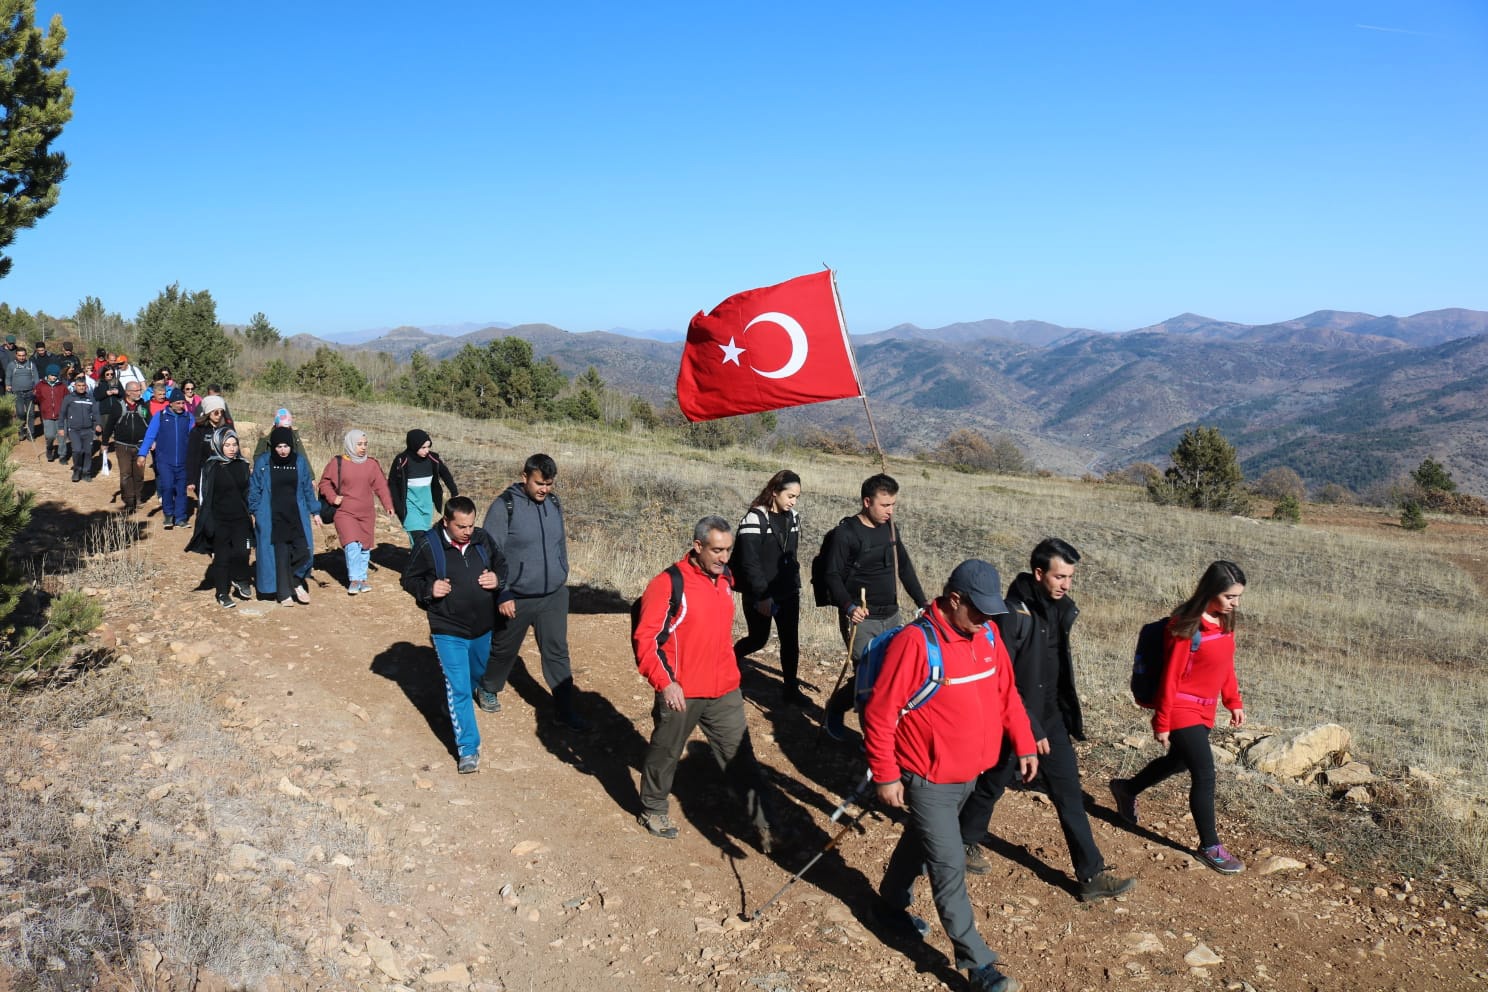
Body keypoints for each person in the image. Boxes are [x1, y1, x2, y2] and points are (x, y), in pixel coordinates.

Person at [864, 560, 1037, 992]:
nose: (984, 621)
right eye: (978, 612)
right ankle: (978, 965)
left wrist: (1025, 740)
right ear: (953, 599)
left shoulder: (989, 635)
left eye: (990, 613)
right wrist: (886, 775)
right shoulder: (915, 643)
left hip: (969, 774)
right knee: (948, 865)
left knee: (922, 841)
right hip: (928, 778)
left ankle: (889, 905)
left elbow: (1006, 693)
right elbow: (880, 713)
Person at [956, 539, 1136, 901]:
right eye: (1060, 576)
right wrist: (1029, 728)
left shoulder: (1060, 608)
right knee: (993, 781)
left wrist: (1057, 719)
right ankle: (960, 842)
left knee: (1068, 791)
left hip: (1050, 714)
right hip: (1016, 715)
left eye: (1070, 577)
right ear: (1039, 574)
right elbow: (1001, 678)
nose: (1066, 584)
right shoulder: (1011, 615)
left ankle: (1092, 875)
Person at [632, 516, 778, 847]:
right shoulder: (668, 584)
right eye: (717, 550)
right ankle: (653, 808)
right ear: (698, 546)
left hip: (724, 687)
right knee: (666, 751)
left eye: (728, 550)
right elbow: (647, 640)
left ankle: (770, 828)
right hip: (681, 689)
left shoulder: (725, 578)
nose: (724, 557)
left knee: (741, 759)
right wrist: (666, 682)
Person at [1111, 560, 1248, 875]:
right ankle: (1209, 846)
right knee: (1205, 773)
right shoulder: (1185, 626)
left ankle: (1127, 789)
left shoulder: (1225, 621)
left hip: (1205, 708)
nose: (1235, 603)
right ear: (1211, 591)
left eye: (1238, 597)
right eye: (1230, 597)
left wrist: (1233, 701)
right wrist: (1162, 721)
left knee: (1179, 762)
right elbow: (1171, 679)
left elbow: (1226, 665)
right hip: (1181, 708)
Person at [474, 454, 586, 727]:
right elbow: (490, 552)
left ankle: (565, 706)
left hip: (553, 595)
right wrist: (503, 592)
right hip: (517, 596)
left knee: (557, 651)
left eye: (548, 484)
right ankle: (487, 687)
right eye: (539, 483)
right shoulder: (505, 506)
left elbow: (560, 543)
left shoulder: (554, 503)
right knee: (504, 649)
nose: (544, 489)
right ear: (524, 476)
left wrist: (563, 570)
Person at [400, 496, 507, 774]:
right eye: (461, 526)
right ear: (446, 521)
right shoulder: (428, 544)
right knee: (458, 687)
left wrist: (498, 580)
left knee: (476, 674)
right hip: (447, 628)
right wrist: (428, 589)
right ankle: (468, 749)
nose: (468, 531)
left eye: (471, 525)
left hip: (483, 627)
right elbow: (408, 579)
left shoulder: (482, 539)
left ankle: (462, 703)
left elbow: (502, 566)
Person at [821, 473, 930, 740]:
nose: (890, 511)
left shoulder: (891, 529)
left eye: (893, 504)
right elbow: (831, 575)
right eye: (885, 505)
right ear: (867, 501)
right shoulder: (845, 534)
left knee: (889, 676)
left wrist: (922, 602)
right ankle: (859, 729)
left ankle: (873, 730)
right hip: (860, 618)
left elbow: (903, 567)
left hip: (891, 615)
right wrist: (848, 607)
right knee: (869, 678)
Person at [731, 469, 806, 705]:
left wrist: (793, 583)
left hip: (787, 591)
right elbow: (749, 561)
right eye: (790, 496)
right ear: (774, 492)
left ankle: (790, 688)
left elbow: (790, 554)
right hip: (759, 593)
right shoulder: (754, 519)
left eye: (796, 497)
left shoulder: (793, 518)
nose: (793, 502)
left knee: (790, 641)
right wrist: (763, 596)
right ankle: (728, 661)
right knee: (758, 638)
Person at [248, 425, 320, 605]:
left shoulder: (300, 461)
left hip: (296, 513)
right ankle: (283, 593)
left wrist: (315, 511)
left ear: (291, 446)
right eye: (278, 446)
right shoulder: (264, 462)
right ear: (273, 446)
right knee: (279, 554)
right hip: (272, 514)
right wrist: (255, 510)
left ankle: (296, 581)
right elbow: (254, 488)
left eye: (286, 446)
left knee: (304, 551)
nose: (282, 450)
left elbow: (307, 489)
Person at [319, 429, 394, 595]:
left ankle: (362, 578)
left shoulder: (372, 464)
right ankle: (354, 579)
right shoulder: (337, 463)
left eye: (365, 444)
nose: (363, 447)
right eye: (359, 444)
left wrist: (388, 504)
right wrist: (333, 498)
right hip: (344, 512)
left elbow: (381, 486)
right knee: (352, 544)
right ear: (350, 444)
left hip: (366, 513)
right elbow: (324, 483)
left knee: (365, 547)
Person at [185, 427, 254, 608]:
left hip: (241, 519)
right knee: (222, 558)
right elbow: (204, 498)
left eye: (234, 444)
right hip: (219, 520)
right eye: (227, 445)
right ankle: (222, 593)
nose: (232, 449)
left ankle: (240, 579)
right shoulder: (210, 467)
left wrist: (252, 512)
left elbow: (248, 492)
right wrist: (206, 522)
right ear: (217, 446)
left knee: (243, 551)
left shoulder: (243, 465)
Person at [387, 429, 459, 547]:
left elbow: (445, 473)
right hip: (409, 507)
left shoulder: (433, 459)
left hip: (426, 506)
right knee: (418, 537)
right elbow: (392, 483)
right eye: (423, 448)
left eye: (428, 447)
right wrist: (394, 505)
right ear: (414, 446)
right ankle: (421, 563)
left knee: (424, 538)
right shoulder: (402, 460)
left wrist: (454, 492)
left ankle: (419, 562)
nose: (427, 451)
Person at [138, 388, 195, 528]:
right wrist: (142, 454)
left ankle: (181, 518)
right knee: (168, 487)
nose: (182, 406)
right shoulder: (160, 416)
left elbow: (194, 438)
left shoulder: (188, 417)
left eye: (183, 403)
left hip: (183, 461)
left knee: (181, 490)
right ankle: (168, 515)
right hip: (164, 460)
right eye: (178, 403)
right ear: (171, 404)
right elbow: (150, 435)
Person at [104, 380, 152, 513]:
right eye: (136, 391)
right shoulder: (118, 406)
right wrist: (104, 442)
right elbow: (109, 425)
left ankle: (138, 497)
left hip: (140, 446)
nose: (139, 393)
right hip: (122, 445)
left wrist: (153, 440)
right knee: (125, 473)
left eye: (139, 390)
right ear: (128, 392)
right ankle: (129, 500)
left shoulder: (143, 406)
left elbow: (150, 423)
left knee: (139, 474)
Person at [184, 396, 234, 504]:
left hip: (224, 473)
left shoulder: (227, 430)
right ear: (208, 413)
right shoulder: (198, 431)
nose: (219, 415)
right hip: (204, 474)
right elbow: (191, 456)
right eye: (216, 412)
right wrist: (190, 479)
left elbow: (234, 451)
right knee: (205, 504)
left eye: (221, 412)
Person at [58, 374, 102, 482]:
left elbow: (96, 413)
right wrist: (60, 427)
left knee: (87, 452)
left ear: (86, 386)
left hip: (88, 430)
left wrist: (98, 424)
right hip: (74, 430)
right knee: (77, 450)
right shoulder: (69, 398)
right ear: (75, 386)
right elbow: (62, 413)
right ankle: (77, 470)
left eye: (83, 385)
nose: (81, 387)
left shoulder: (90, 399)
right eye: (79, 385)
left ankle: (86, 472)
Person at [32, 365, 67, 463]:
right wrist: (33, 397)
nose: (54, 377)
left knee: (62, 436)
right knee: (50, 435)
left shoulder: (62, 386)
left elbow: (67, 398)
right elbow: (37, 399)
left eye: (56, 375)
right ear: (48, 374)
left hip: (61, 415)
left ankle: (62, 455)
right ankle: (49, 448)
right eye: (52, 375)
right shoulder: (40, 385)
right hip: (47, 414)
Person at [6, 345, 37, 437]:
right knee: (20, 413)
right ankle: (21, 431)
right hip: (17, 393)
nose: (22, 357)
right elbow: (8, 377)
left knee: (31, 413)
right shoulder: (11, 365)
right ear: (16, 355)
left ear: (26, 355)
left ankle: (30, 433)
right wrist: (8, 386)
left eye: (23, 355)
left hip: (30, 392)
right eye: (19, 355)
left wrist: (36, 388)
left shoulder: (31, 365)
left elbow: (36, 378)